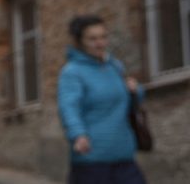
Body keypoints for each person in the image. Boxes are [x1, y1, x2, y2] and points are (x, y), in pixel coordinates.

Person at [57, 15, 147, 184]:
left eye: (103, 37)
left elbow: (128, 102)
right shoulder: (73, 71)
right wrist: (78, 135)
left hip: (123, 154)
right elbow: (69, 107)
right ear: (80, 41)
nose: (100, 43)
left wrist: (136, 90)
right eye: (92, 39)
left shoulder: (115, 66)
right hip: (92, 157)